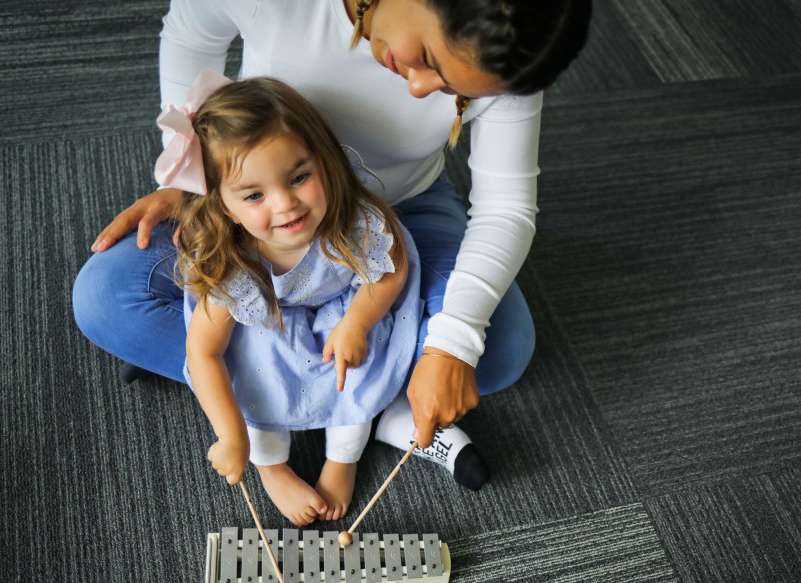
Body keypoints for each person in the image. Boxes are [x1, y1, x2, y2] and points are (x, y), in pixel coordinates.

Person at [72, 0, 592, 491]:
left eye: (452, 92)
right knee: (105, 299)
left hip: (401, 206)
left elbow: (506, 209)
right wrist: (187, 177)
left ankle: (321, 395)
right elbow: (192, 31)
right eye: (429, 59)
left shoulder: (512, 47)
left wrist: (452, 346)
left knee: (501, 348)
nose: (418, 89)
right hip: (251, 219)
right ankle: (365, 403)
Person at [167, 71, 421, 525]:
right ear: (225, 205)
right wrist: (232, 438)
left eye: (300, 176)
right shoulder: (231, 261)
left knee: (357, 362)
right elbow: (204, 352)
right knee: (250, 369)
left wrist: (358, 322)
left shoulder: (351, 218)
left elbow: (392, 268)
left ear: (323, 161)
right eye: (255, 195)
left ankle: (344, 456)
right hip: (269, 318)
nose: (286, 205)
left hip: (343, 305)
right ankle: (273, 466)